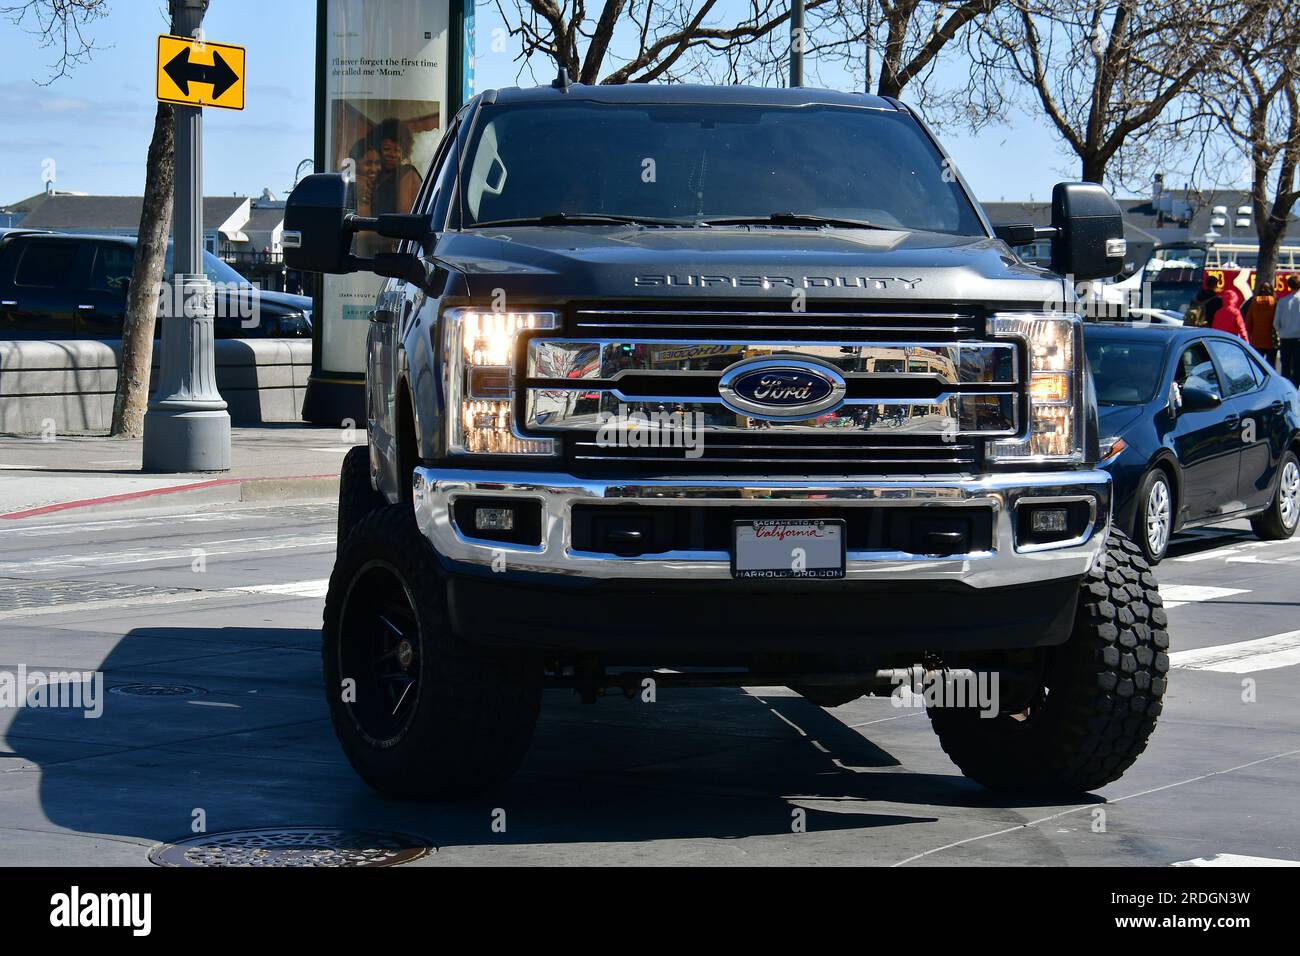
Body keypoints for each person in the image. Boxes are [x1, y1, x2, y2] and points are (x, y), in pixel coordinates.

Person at [1244, 281, 1279, 367]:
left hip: (1257, 340)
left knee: (1258, 366)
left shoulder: (1254, 303)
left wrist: (1250, 334)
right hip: (1271, 340)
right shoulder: (1275, 303)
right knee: (1271, 366)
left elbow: (1248, 323)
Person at [1275, 274, 1300, 386]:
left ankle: (1287, 389)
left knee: (1285, 367)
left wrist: (1281, 331)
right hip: (1298, 338)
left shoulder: (1282, 301)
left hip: (1285, 338)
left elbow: (1276, 323)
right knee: (1297, 368)